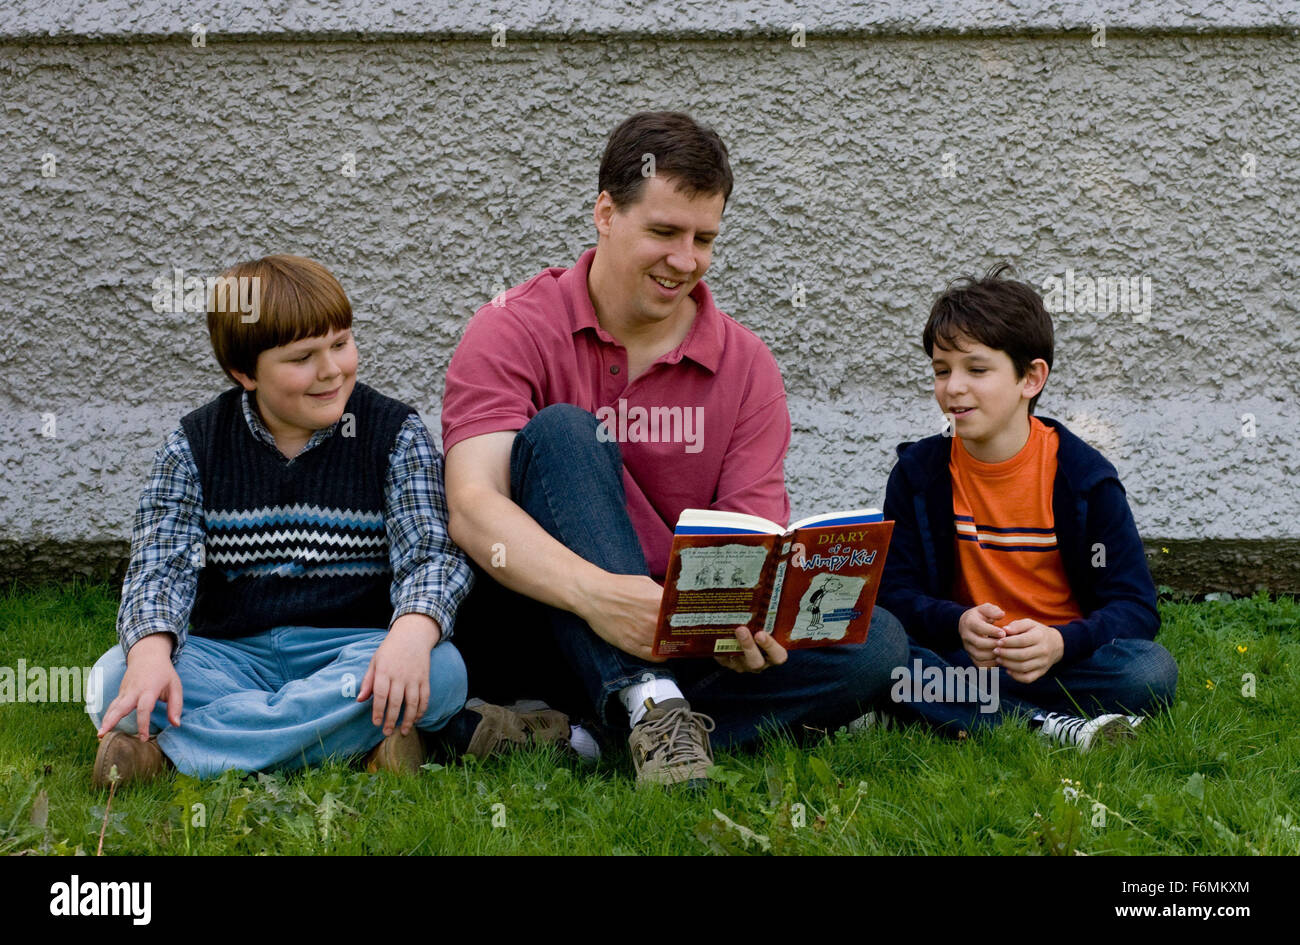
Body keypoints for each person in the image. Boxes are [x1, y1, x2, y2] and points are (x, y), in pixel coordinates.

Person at [441, 111, 908, 786]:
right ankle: (652, 707)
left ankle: (593, 735)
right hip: (541, 614)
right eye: (664, 231)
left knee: (878, 642)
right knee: (564, 432)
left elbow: (750, 539)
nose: (685, 260)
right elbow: (472, 505)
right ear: (606, 213)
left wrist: (751, 630)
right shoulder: (512, 325)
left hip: (680, 629)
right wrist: (599, 594)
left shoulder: (746, 363)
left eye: (704, 239)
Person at [87, 254, 561, 787]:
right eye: (303, 357)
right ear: (245, 372)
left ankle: (172, 755)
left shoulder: (393, 434)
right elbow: (160, 567)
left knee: (443, 670)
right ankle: (368, 740)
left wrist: (409, 632)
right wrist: (151, 651)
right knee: (113, 679)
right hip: (231, 658)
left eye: (340, 343)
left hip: (354, 651)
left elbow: (431, 552)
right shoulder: (194, 446)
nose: (332, 370)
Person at [878, 264, 1178, 750]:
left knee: (1149, 671)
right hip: (963, 656)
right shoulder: (918, 474)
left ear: (1031, 378)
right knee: (878, 647)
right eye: (941, 370)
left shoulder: (1085, 479)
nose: (953, 387)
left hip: (1058, 662)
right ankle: (1051, 728)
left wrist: (1061, 643)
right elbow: (894, 591)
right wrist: (955, 622)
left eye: (976, 369)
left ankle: (938, 707)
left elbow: (1134, 606)